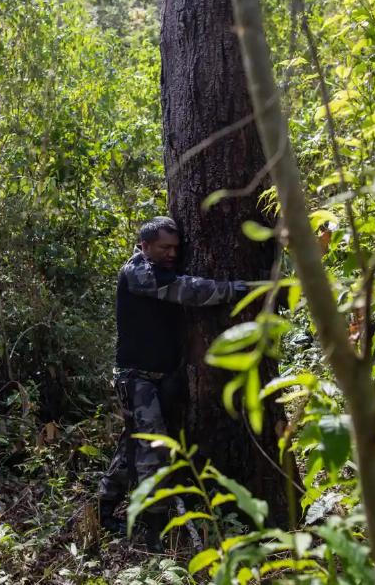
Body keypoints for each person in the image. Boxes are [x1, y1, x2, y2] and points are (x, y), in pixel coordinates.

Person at [97, 216, 248, 551]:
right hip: (136, 380)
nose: (171, 253)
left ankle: (104, 509)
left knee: (132, 445)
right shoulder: (138, 272)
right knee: (153, 449)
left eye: (175, 248)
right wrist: (231, 290)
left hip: (159, 379)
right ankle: (155, 530)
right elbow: (186, 290)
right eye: (164, 247)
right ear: (144, 245)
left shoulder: (162, 270)